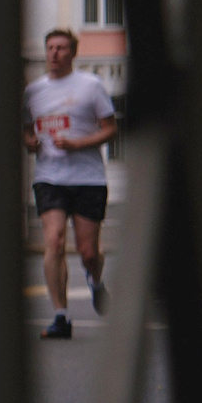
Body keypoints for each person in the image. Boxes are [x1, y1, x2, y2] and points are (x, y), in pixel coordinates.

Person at [24, 28, 117, 339]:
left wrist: (79, 144)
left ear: (73, 53)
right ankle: (60, 315)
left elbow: (110, 129)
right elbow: (25, 129)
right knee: (54, 240)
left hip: (88, 178)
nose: (54, 53)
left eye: (61, 48)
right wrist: (30, 141)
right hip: (50, 177)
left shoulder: (91, 86)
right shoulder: (34, 91)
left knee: (89, 252)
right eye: (50, 47)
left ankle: (95, 280)